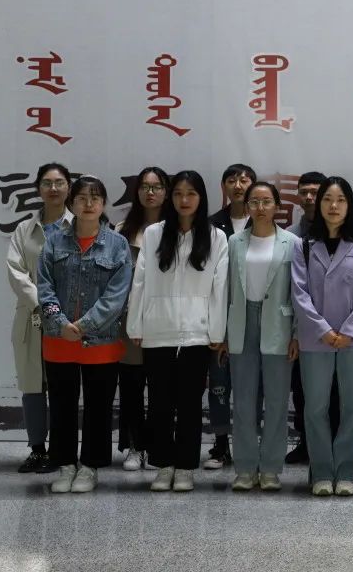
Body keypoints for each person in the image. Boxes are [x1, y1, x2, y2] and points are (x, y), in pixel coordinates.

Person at [127, 170, 229, 493]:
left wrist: (216, 332)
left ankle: (185, 466)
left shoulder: (216, 237)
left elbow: (220, 287)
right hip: (158, 330)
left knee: (189, 404)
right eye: (178, 194)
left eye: (191, 194)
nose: (184, 200)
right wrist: (136, 324)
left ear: (201, 198)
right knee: (159, 402)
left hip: (197, 334)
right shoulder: (154, 234)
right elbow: (140, 281)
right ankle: (163, 464)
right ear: (171, 198)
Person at [37, 176, 132, 493]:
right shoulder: (53, 241)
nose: (89, 204)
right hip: (58, 339)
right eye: (82, 198)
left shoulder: (117, 245)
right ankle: (65, 465)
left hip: (101, 342)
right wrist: (60, 322)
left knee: (98, 407)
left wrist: (83, 326)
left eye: (95, 198)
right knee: (61, 406)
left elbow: (117, 297)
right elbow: (44, 288)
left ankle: (90, 466)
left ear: (104, 204)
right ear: (71, 202)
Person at [293, 176, 353, 497]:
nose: (333, 206)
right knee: (315, 408)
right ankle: (320, 473)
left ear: (349, 205)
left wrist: (349, 331)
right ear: (319, 204)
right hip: (315, 339)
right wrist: (324, 330)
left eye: (341, 200)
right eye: (328, 199)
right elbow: (299, 293)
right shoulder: (304, 244)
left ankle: (345, 472)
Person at [226, 181, 298, 492]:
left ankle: (270, 468)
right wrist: (222, 333)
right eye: (254, 202)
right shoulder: (234, 242)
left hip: (278, 325)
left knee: (277, 402)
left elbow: (299, 292)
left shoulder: (292, 242)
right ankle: (244, 468)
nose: (260, 207)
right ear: (247, 206)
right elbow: (225, 287)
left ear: (277, 206)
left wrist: (296, 334)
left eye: (266, 201)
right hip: (241, 323)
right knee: (243, 401)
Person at [6, 162, 72, 474]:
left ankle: (61, 450)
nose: (53, 188)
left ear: (69, 187)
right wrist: (44, 305)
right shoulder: (24, 230)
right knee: (33, 385)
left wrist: (58, 312)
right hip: (33, 319)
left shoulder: (79, 225)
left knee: (64, 387)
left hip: (68, 320)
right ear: (38, 189)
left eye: (59, 182)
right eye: (47, 183)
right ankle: (36, 449)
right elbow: (16, 272)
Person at [115, 166, 170, 471]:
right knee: (132, 386)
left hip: (166, 318)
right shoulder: (123, 229)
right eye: (145, 187)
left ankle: (159, 445)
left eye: (157, 186)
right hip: (131, 318)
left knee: (162, 387)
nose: (151, 192)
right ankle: (135, 446)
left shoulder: (176, 228)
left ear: (166, 191)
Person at [204, 163, 256, 470]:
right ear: (223, 187)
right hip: (220, 317)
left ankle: (250, 444)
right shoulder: (212, 225)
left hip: (255, 317)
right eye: (232, 180)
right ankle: (221, 445)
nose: (238, 185)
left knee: (252, 387)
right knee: (219, 384)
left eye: (244, 180)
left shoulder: (263, 222)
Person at [285, 171, 325, 466]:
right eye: (304, 192)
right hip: (300, 325)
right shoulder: (290, 236)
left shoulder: (340, 231)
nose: (309, 197)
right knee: (301, 388)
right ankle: (305, 441)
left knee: (333, 390)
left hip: (336, 325)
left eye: (315, 191)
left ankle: (332, 443)